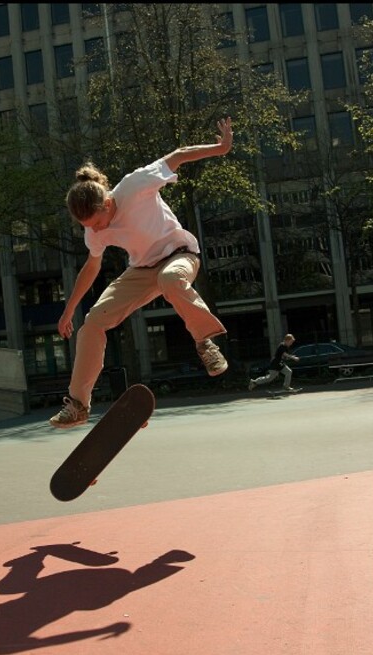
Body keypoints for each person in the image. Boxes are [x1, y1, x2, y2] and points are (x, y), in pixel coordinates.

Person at [49, 118, 233, 428]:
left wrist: (221, 147)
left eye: (96, 222)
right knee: (92, 324)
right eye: (87, 227)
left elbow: (178, 155)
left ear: (108, 203)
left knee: (170, 279)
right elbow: (91, 267)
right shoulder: (94, 232)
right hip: (142, 270)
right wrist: (69, 310)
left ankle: (205, 343)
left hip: (180, 255)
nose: (94, 231)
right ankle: (79, 405)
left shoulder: (135, 185)